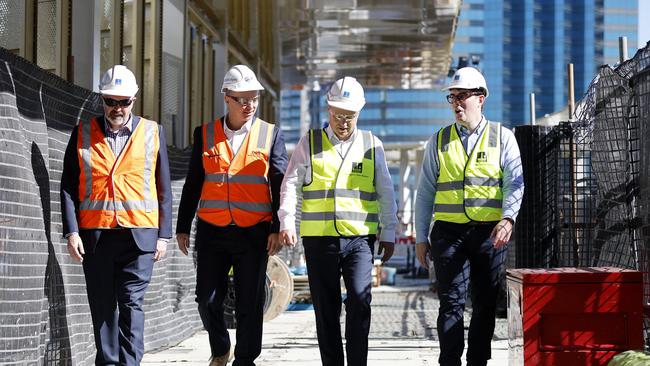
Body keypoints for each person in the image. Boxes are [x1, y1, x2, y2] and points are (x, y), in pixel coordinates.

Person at [279, 76, 398, 366]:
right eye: (338, 114)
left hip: (359, 240)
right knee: (326, 308)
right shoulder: (311, 142)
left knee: (359, 300)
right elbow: (290, 183)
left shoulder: (372, 145)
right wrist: (286, 221)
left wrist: (390, 231)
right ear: (328, 110)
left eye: (350, 115)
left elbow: (385, 190)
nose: (343, 121)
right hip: (320, 240)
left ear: (360, 112)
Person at [176, 64, 288, 366]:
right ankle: (221, 347)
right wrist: (182, 225)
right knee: (207, 298)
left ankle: (245, 359)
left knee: (249, 302)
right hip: (212, 230)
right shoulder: (206, 134)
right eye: (242, 99)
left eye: (253, 98)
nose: (249, 105)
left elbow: (280, 185)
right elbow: (193, 182)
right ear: (226, 97)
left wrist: (278, 227)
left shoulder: (270, 135)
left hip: (254, 232)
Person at [61, 65, 172, 365]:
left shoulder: (152, 132)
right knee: (103, 307)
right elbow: (69, 187)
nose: (118, 108)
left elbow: (163, 187)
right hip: (96, 237)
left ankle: (130, 363)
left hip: (140, 238)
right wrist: (72, 232)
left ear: (134, 99)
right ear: (102, 99)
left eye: (124, 101)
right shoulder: (82, 134)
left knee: (131, 304)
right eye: (111, 101)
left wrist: (164, 235)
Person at [414, 67, 524, 366]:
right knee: (450, 302)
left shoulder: (503, 137)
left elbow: (514, 182)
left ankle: (478, 361)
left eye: (462, 96)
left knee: (485, 303)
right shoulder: (438, 141)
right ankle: (449, 362)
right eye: (453, 97)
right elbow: (424, 192)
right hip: (448, 233)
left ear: (481, 98)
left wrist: (508, 218)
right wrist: (420, 238)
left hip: (489, 233)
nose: (457, 103)